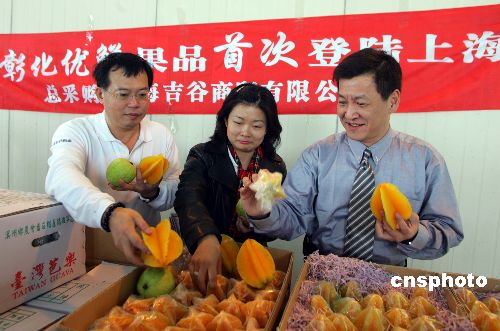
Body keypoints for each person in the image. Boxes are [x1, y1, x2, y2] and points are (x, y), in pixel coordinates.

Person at [240, 48, 463, 266]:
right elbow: (292, 218)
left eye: (361, 103)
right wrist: (262, 212)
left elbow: (448, 229)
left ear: (393, 101)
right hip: (321, 277)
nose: (348, 114)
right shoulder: (317, 156)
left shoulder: (424, 160)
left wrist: (413, 235)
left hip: (389, 284)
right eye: (342, 102)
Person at [46, 52, 180, 265]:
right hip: (86, 250)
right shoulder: (76, 131)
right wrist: (110, 213)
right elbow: (61, 176)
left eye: (143, 94)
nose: (135, 103)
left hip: (146, 250)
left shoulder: (160, 135)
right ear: (100, 93)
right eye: (123, 94)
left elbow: (175, 191)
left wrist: (152, 192)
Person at [174, 82, 286, 291]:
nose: (245, 132)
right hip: (206, 256)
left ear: (268, 128)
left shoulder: (274, 167)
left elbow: (276, 221)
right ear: (225, 120)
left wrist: (255, 223)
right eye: (238, 122)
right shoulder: (203, 155)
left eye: (256, 125)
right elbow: (188, 197)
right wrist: (205, 237)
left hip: (252, 263)